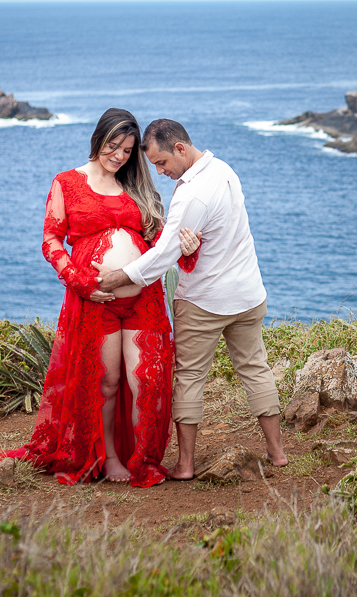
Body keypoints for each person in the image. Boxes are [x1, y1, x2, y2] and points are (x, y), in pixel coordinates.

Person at [0, 108, 200, 487]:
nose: (120, 156)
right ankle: (110, 458)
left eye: (127, 150)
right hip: (94, 301)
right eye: (113, 146)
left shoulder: (137, 185)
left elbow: (158, 240)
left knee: (148, 381)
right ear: (98, 139)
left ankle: (144, 459)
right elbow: (51, 240)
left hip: (144, 297)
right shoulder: (67, 183)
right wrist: (80, 280)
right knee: (105, 382)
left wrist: (186, 248)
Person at [94, 118, 287, 480]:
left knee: (189, 378)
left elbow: (163, 254)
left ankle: (184, 465)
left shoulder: (191, 193)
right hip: (247, 294)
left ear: (180, 149)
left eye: (162, 163)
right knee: (256, 369)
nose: (160, 172)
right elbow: (219, 231)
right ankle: (277, 453)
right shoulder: (225, 171)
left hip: (205, 301)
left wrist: (119, 276)